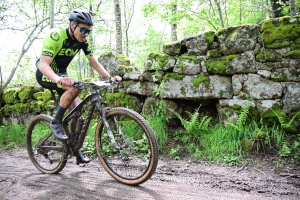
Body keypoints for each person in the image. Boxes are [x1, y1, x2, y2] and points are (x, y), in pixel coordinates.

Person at [36, 9, 122, 164]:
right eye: (83, 30)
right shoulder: (56, 36)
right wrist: (58, 79)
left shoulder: (83, 41)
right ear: (72, 25)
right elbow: (43, 65)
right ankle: (56, 122)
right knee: (76, 87)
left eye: (88, 31)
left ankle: (75, 149)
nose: (85, 34)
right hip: (46, 74)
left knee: (77, 112)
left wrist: (109, 77)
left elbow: (93, 62)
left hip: (63, 75)